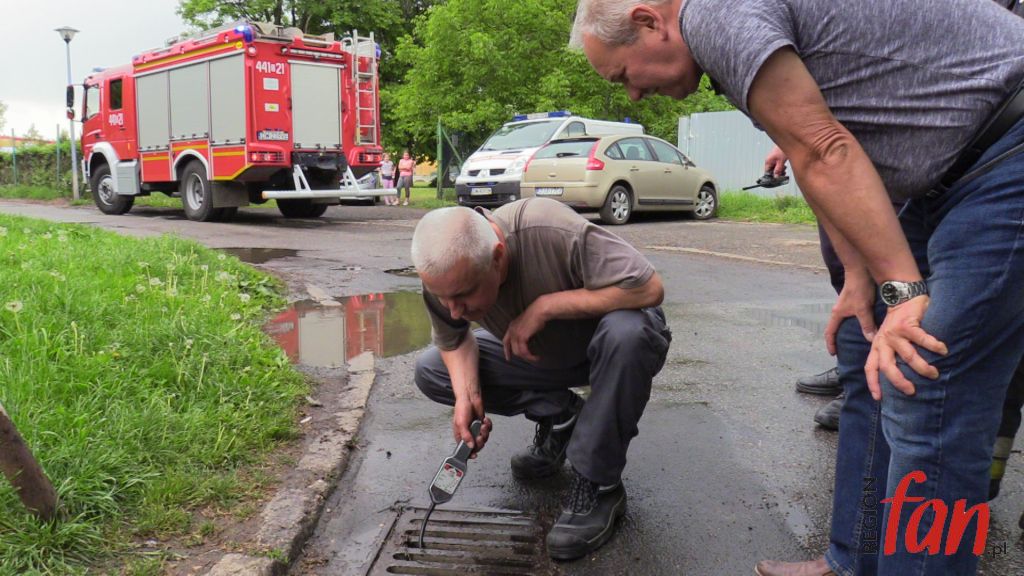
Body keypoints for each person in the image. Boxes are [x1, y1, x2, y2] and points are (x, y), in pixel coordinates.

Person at [574, 1, 1024, 575]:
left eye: (624, 76)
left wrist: (905, 295)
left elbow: (823, 148)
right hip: (952, 170)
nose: (633, 95)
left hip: (1006, 152)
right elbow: (818, 149)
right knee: (868, 348)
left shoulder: (717, 19)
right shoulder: (722, 37)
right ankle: (854, 560)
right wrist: (861, 278)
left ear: (648, 22)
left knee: (927, 382)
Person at [410, 198, 671, 560]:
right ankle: (563, 416)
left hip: (610, 348)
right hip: (541, 355)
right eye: (443, 297)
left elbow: (649, 288)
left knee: (629, 332)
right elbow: (454, 340)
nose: (453, 309)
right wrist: (466, 397)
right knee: (431, 370)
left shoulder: (549, 230)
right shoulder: (446, 271)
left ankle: (599, 483)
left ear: (498, 258)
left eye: (462, 296)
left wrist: (546, 307)